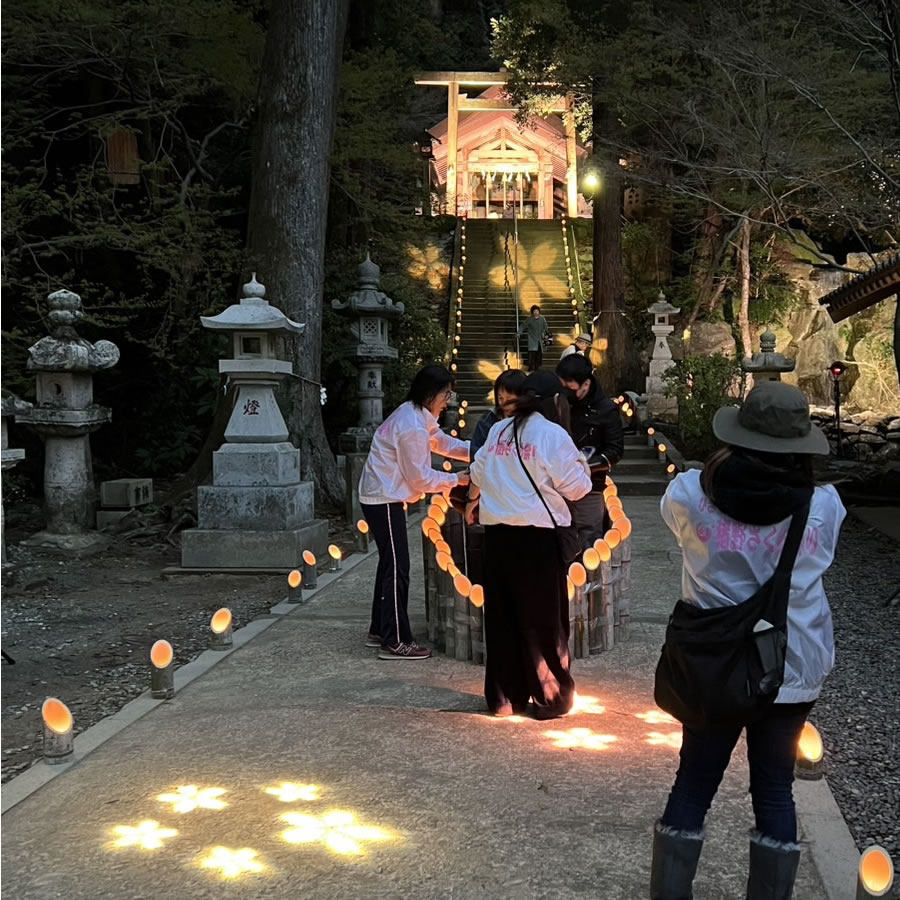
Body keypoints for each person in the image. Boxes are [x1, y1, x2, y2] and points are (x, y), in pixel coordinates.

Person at [650, 381, 845, 900]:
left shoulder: (690, 492)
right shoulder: (823, 506)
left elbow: (676, 528)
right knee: (776, 788)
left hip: (714, 662)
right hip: (792, 661)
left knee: (693, 782)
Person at [466, 371, 592, 719]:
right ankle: (550, 696)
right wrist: (582, 463)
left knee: (503, 618)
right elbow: (578, 488)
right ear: (555, 402)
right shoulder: (553, 435)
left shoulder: (497, 430)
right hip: (536, 540)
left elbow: (477, 473)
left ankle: (505, 697)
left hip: (498, 538)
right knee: (542, 621)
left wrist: (471, 502)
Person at [359, 364, 470, 661]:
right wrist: (455, 480)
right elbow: (419, 478)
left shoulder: (418, 414)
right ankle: (395, 641)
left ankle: (379, 629)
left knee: (389, 565)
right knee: (398, 568)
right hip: (383, 497)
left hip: (384, 494)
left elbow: (440, 441)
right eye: (446, 394)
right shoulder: (410, 425)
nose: (448, 400)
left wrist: (475, 451)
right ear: (430, 393)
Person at [556, 354, 624, 554]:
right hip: (557, 485)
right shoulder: (557, 403)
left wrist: (584, 466)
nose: (565, 392)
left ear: (586, 383)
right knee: (560, 540)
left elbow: (615, 450)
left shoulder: (605, 409)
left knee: (590, 542)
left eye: (570, 387)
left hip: (590, 486)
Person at [470, 369, 526, 458]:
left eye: (509, 399)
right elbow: (476, 452)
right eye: (500, 398)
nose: (504, 403)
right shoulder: (489, 419)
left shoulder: (531, 421)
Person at [518, 305, 550, 372]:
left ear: (539, 311)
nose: (536, 312)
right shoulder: (529, 319)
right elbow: (523, 326)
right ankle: (530, 366)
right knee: (531, 354)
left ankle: (537, 367)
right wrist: (519, 333)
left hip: (540, 339)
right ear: (532, 312)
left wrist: (546, 334)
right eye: (534, 311)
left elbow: (546, 327)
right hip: (532, 339)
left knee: (539, 354)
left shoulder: (542, 318)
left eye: (537, 311)